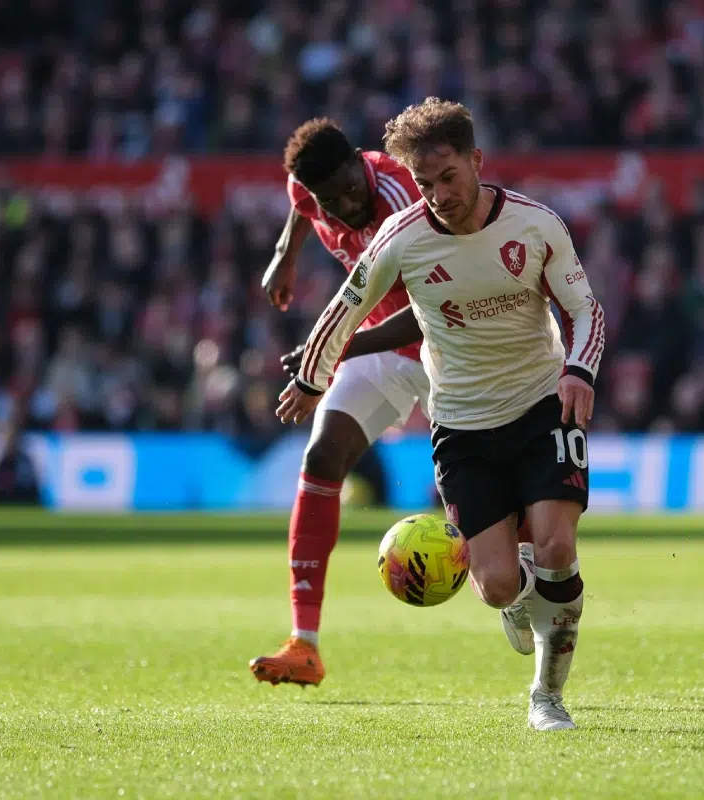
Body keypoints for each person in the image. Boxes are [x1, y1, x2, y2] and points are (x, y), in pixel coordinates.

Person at [277, 98, 604, 731]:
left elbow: (586, 309)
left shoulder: (536, 226)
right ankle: (517, 593)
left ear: (476, 161)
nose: (437, 195)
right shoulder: (403, 237)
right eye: (426, 184)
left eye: (448, 177)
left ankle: (546, 696)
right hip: (463, 424)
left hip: (541, 404)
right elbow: (343, 309)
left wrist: (579, 370)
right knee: (499, 586)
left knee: (558, 546)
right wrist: (314, 379)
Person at [249, 119, 435, 688]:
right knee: (321, 459)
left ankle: (519, 586)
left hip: (448, 343)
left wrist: (333, 349)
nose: (349, 204)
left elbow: (429, 305)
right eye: (334, 201)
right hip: (380, 346)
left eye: (353, 188)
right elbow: (301, 206)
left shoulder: (405, 193)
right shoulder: (310, 192)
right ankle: (304, 644)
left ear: (361, 161)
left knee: (475, 496)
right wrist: (286, 252)